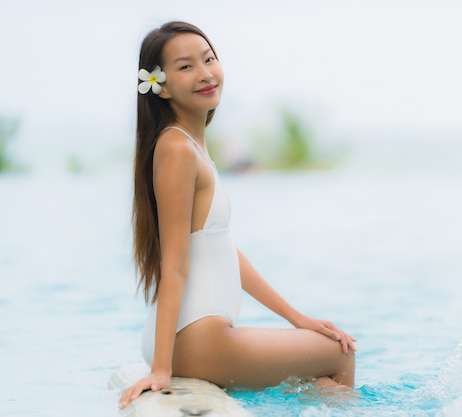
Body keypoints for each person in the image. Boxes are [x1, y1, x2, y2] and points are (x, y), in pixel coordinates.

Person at [119, 21, 356, 409]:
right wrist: (162, 369)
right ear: (160, 86)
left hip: (194, 335)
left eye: (209, 59)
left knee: (326, 373)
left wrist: (299, 318)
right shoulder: (176, 149)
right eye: (186, 66)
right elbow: (174, 262)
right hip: (194, 341)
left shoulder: (190, 142)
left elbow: (224, 249)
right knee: (340, 355)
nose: (205, 73)